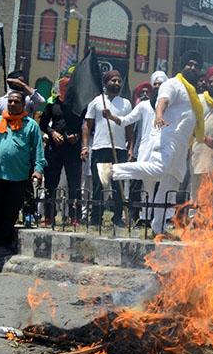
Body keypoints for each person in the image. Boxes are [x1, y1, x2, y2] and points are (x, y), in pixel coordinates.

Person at [112, 58, 201, 235]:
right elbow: (163, 100)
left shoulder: (192, 94)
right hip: (168, 138)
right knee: (158, 170)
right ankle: (112, 170)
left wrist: (205, 139)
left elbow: (191, 119)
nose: (193, 67)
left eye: (196, 65)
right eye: (189, 64)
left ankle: (158, 227)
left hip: (182, 146)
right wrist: (159, 115)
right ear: (181, 66)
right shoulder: (173, 84)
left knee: (170, 186)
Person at [0, 90, 45, 270]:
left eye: (16, 102)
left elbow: (38, 151)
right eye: (10, 101)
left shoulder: (31, 125)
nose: (12, 104)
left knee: (10, 213)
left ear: (23, 105)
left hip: (18, 177)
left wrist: (38, 169)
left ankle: (4, 245)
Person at [102, 72, 168, 223]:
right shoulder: (143, 106)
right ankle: (144, 217)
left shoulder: (170, 106)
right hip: (146, 150)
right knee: (146, 186)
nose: (158, 86)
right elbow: (126, 120)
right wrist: (112, 117)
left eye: (161, 83)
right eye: (155, 84)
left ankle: (160, 219)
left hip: (163, 150)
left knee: (162, 186)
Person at [81, 70, 133, 227]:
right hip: (101, 149)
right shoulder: (97, 102)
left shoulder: (126, 103)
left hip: (119, 150)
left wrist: (130, 147)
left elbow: (129, 128)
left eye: (118, 81)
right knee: (100, 184)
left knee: (118, 185)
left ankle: (117, 218)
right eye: (113, 81)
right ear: (105, 83)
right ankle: (96, 218)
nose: (116, 83)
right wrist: (84, 146)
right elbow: (87, 126)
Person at [40, 76, 83, 226]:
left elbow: (85, 124)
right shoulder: (52, 104)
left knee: (74, 183)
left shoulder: (78, 105)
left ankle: (74, 216)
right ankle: (48, 215)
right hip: (55, 147)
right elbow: (43, 124)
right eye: (63, 86)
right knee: (51, 182)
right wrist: (52, 132)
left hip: (73, 147)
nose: (66, 89)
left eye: (69, 86)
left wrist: (76, 135)